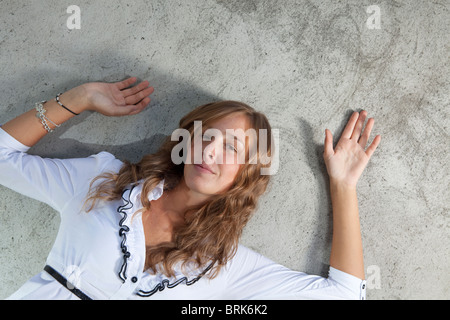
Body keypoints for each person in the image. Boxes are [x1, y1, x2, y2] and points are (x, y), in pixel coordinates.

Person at [0, 77, 380, 300]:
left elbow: (343, 296)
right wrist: (77, 99)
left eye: (231, 147)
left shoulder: (222, 267)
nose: (211, 150)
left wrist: (343, 185)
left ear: (247, 174)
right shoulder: (105, 181)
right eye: (205, 136)